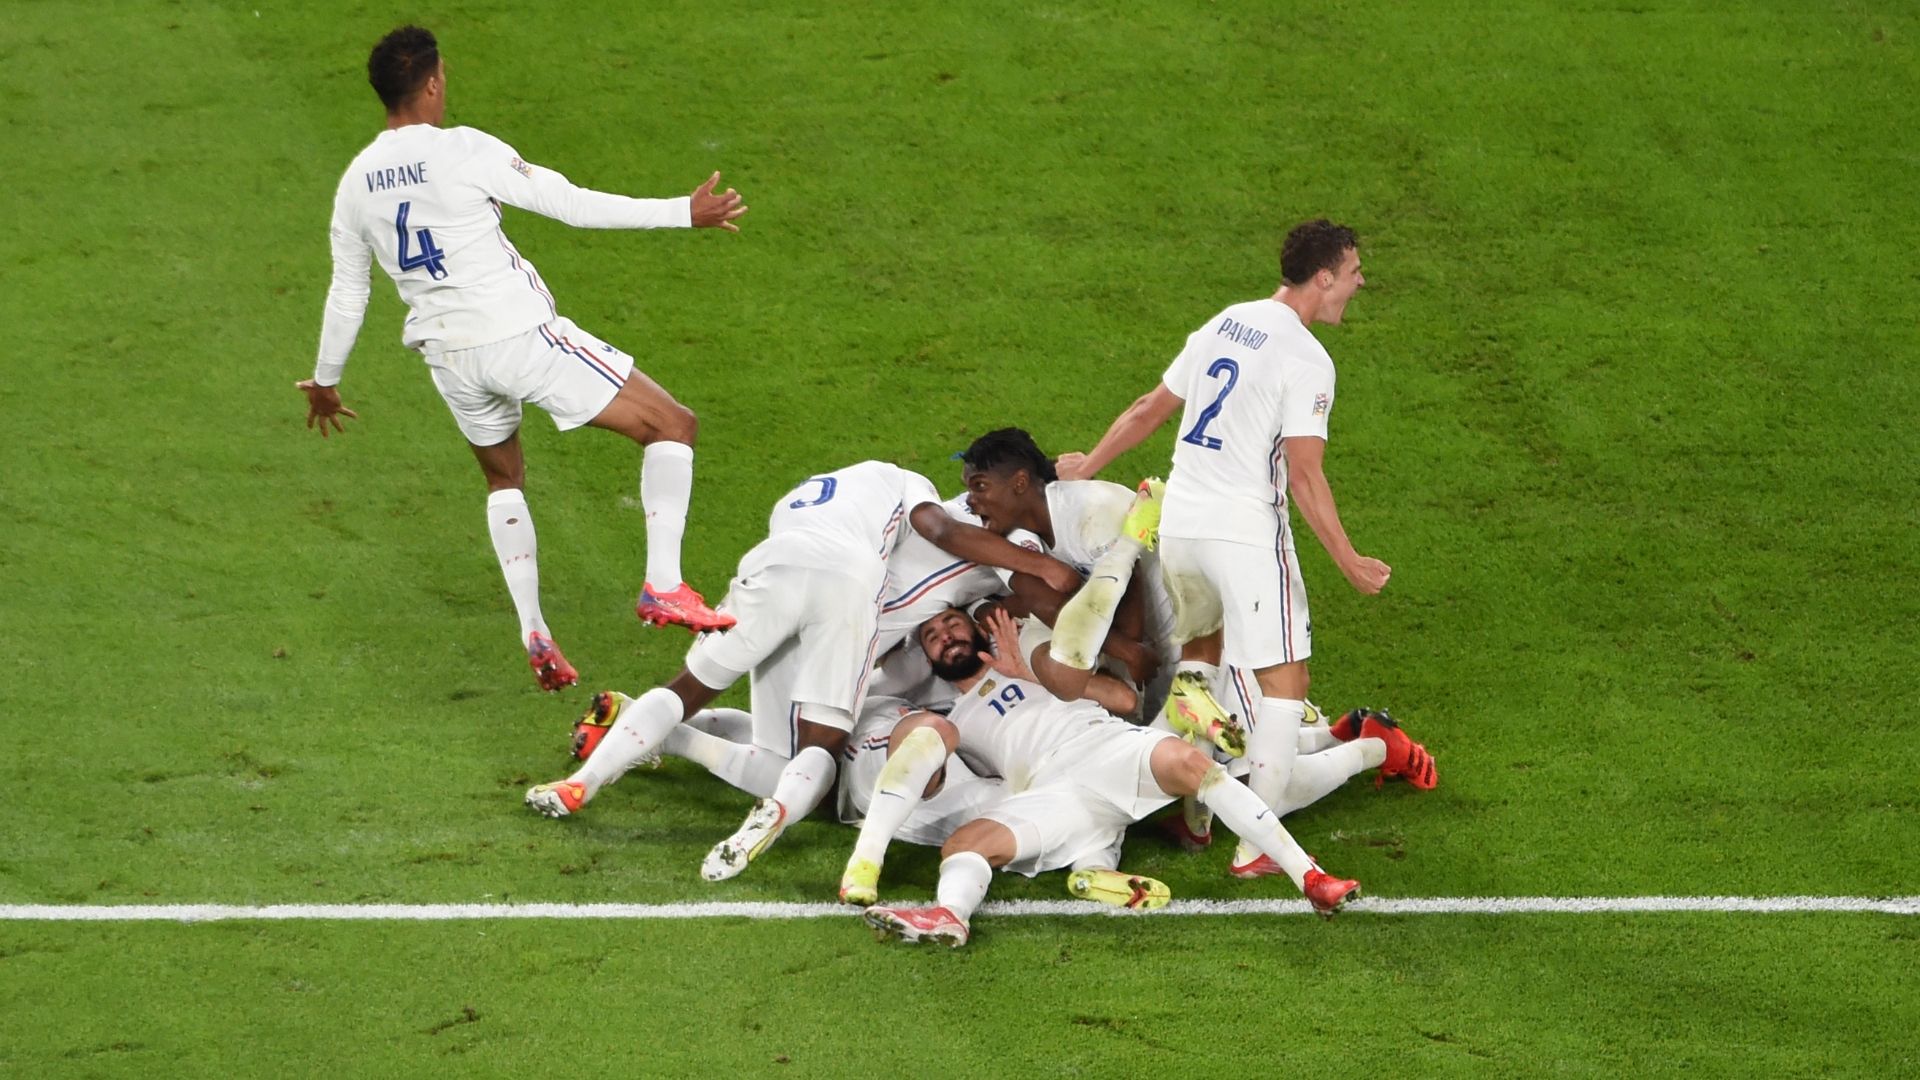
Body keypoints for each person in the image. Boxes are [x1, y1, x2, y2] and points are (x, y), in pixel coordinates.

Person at [298, 25, 745, 692]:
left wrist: (327, 382)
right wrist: (684, 212)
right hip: (518, 336)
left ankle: (535, 630)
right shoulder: (463, 150)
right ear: (430, 82)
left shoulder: (356, 181)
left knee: (504, 480)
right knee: (671, 425)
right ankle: (663, 585)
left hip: (447, 357)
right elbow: (570, 205)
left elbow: (349, 287)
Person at [1054, 220, 1400, 878]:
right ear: (1323, 276)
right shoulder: (1306, 358)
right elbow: (1303, 475)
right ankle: (1259, 848)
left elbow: (1149, 407)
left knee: (1204, 662)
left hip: (1181, 524)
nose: (1360, 282)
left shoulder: (1225, 321)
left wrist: (1090, 460)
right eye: (1354, 271)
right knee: (1285, 682)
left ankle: (1194, 805)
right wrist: (1350, 561)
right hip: (1243, 532)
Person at [523, 460, 935, 882]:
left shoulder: (813, 491)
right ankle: (774, 812)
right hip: (851, 581)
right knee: (818, 750)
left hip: (777, 563)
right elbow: (938, 528)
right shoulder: (909, 482)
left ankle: (583, 782)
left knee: (685, 691)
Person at [859, 606, 1363, 947]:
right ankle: (952, 916)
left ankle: (1310, 878)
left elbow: (1123, 701)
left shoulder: (1036, 659)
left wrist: (1033, 674)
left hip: (1103, 747)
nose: (945, 636)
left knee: (1193, 767)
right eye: (932, 637)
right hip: (1048, 787)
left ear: (976, 630)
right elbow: (942, 783)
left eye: (951, 624)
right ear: (927, 659)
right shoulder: (948, 720)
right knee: (965, 844)